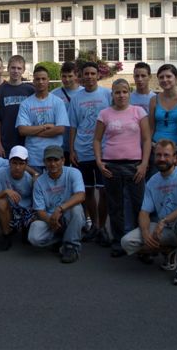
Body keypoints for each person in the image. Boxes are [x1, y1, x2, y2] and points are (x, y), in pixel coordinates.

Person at [120, 139, 177, 286]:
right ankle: (171, 251)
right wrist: (145, 233)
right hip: (165, 230)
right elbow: (144, 212)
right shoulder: (153, 181)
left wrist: (164, 221)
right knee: (127, 242)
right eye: (158, 155)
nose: (162, 159)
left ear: (175, 158)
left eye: (166, 155)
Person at [94, 78, 151, 257]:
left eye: (125, 91)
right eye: (117, 92)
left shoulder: (139, 112)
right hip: (111, 166)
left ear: (129, 93)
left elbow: (146, 139)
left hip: (135, 165)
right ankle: (118, 242)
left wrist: (144, 163)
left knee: (138, 205)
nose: (121, 95)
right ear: (112, 94)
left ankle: (141, 244)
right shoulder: (104, 114)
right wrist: (99, 162)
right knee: (115, 206)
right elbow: (97, 140)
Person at [68, 62, 112, 243]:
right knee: (87, 191)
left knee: (104, 192)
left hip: (103, 151)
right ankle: (94, 225)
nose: (89, 77)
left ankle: (103, 227)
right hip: (82, 151)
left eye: (93, 73)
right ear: (81, 75)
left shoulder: (107, 94)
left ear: (98, 75)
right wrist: (72, 149)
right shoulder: (76, 98)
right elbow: (73, 126)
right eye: (86, 73)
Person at [28, 146, 86, 264]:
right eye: (49, 160)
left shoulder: (73, 172)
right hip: (50, 218)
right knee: (34, 236)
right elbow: (40, 210)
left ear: (63, 160)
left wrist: (60, 209)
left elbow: (81, 195)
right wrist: (51, 221)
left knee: (76, 209)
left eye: (56, 160)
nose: (53, 164)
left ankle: (71, 247)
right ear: (44, 162)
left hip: (68, 214)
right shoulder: (39, 181)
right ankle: (62, 239)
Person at [16, 65, 69, 172]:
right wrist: (45, 127)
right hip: (34, 156)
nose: (41, 82)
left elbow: (60, 129)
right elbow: (22, 130)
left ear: (48, 80)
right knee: (35, 182)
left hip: (54, 156)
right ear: (33, 81)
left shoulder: (58, 102)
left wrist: (33, 131)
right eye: (38, 79)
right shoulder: (26, 104)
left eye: (43, 79)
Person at [0, 145, 36, 251]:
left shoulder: (31, 179)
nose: (17, 167)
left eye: (21, 163)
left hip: (27, 210)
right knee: (1, 202)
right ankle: (6, 236)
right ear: (9, 162)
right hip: (11, 209)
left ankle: (25, 229)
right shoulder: (1, 173)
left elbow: (38, 202)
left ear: (26, 164)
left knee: (30, 238)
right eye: (14, 163)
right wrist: (5, 191)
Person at [148, 64, 177, 178]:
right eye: (161, 77)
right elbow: (151, 128)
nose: (165, 80)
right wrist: (147, 152)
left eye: (169, 76)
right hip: (157, 151)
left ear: (176, 77)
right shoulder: (154, 100)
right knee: (156, 183)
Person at [0, 55, 35, 158]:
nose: (16, 71)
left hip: (26, 140)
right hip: (6, 141)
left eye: (19, 68)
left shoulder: (30, 90)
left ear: (23, 70)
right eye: (13, 68)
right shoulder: (0, 91)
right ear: (8, 69)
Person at [50, 61, 82, 164]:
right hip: (60, 143)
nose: (67, 79)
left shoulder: (84, 93)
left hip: (79, 143)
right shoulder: (53, 94)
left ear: (76, 75)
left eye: (70, 76)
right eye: (64, 76)